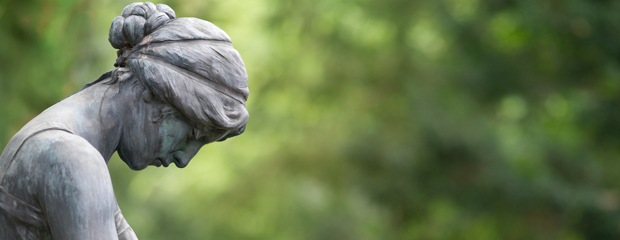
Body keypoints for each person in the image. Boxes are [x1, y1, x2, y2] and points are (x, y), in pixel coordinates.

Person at [0, 2, 249, 239]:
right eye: (193, 134)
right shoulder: (73, 161)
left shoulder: (69, 151)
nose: (184, 159)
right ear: (152, 93)